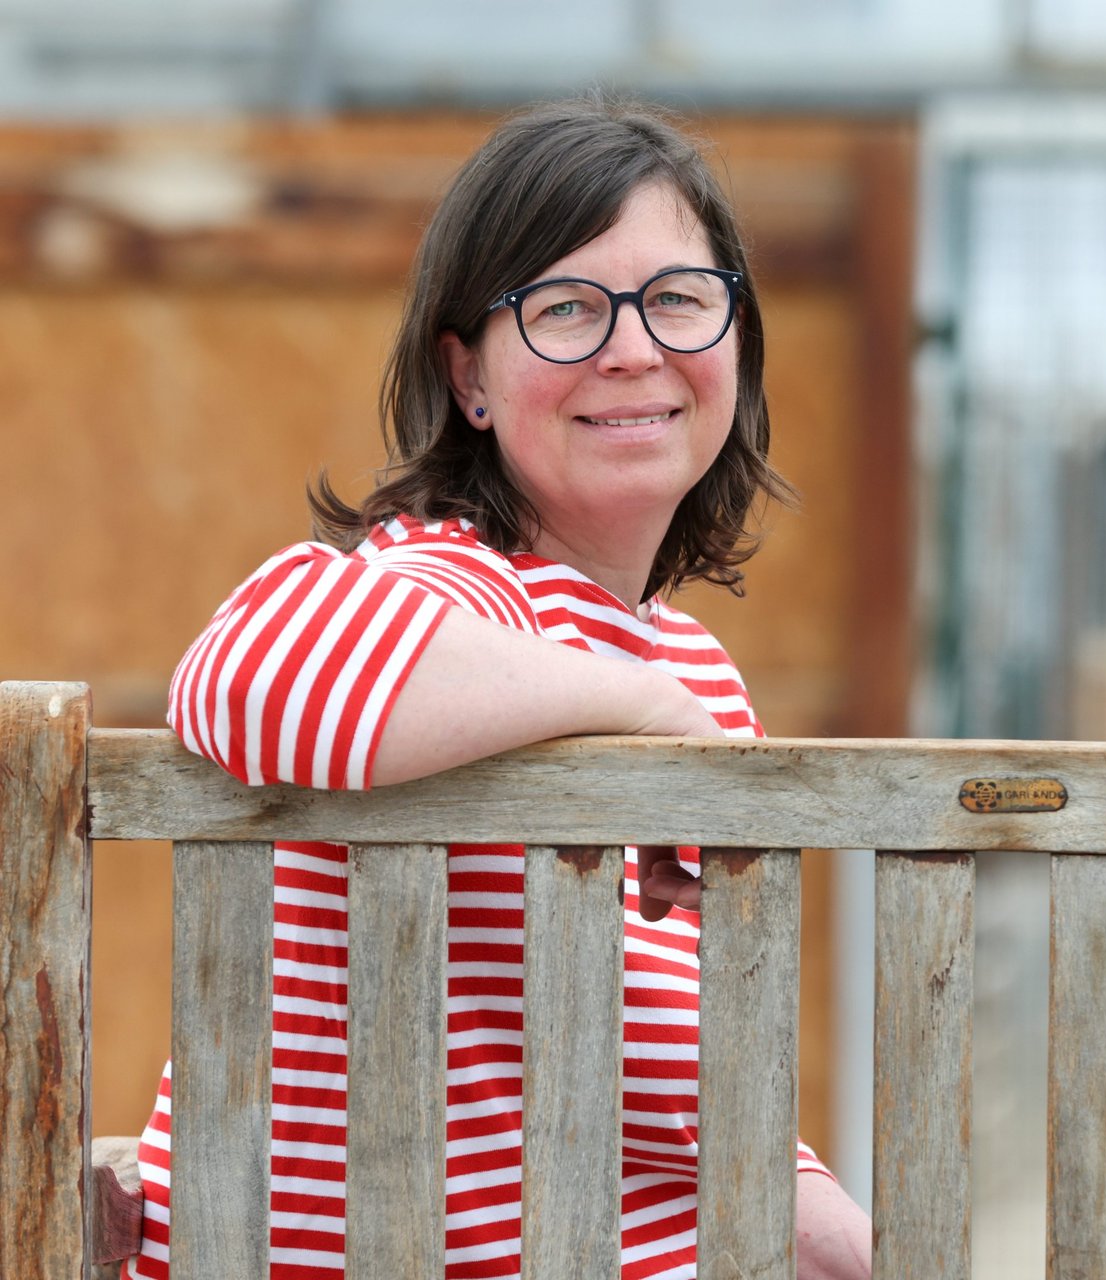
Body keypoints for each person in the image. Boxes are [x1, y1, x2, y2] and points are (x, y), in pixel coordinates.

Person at [125, 96, 873, 1280]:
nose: (634, 347)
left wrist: (824, 1214)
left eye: (679, 298)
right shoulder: (449, 582)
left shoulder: (698, 670)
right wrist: (644, 710)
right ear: (469, 376)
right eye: (567, 308)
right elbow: (245, 671)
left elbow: (673, 1066)